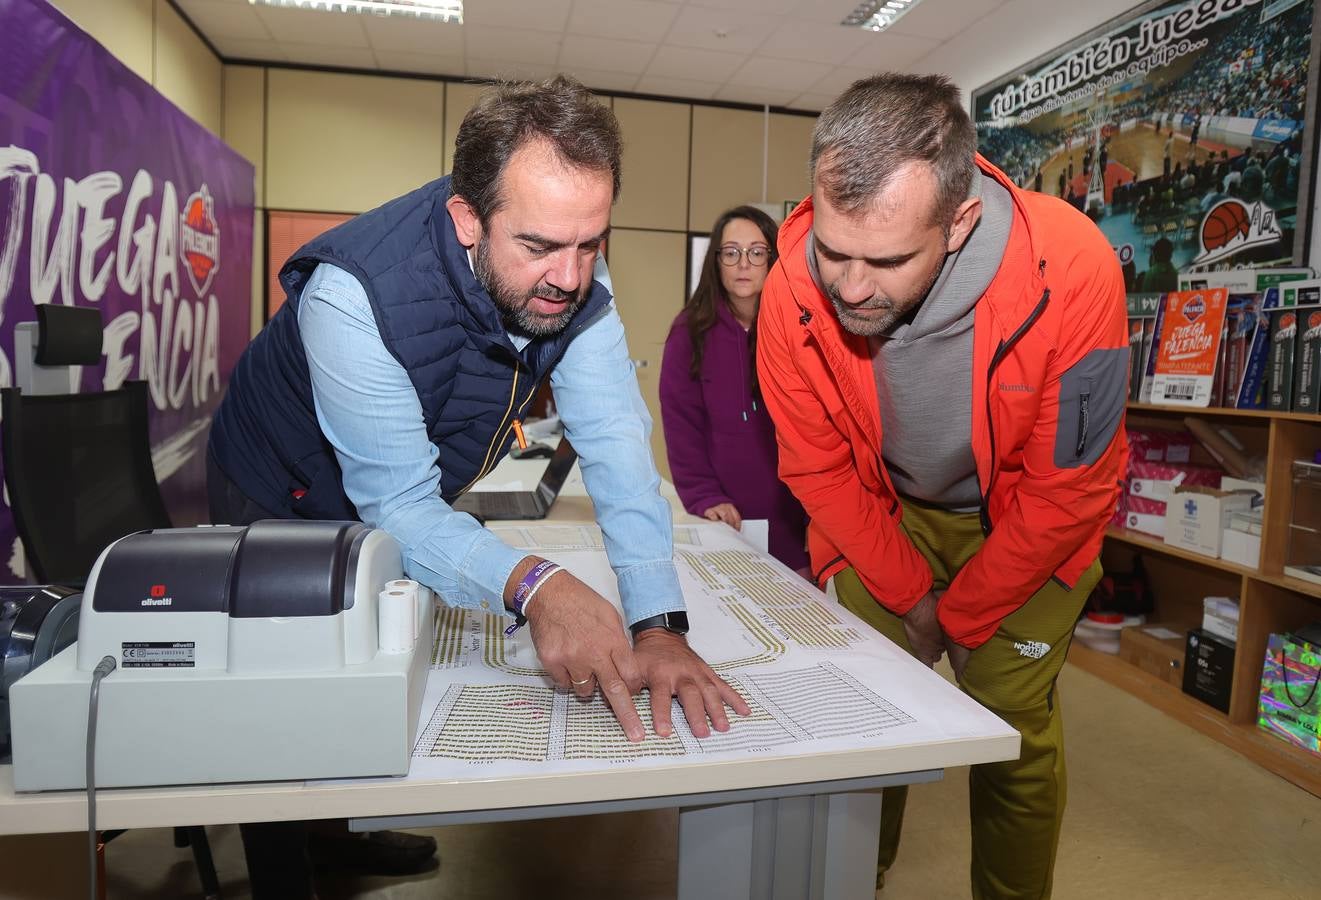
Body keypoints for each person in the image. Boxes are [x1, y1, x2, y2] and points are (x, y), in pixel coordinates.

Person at [208, 75, 748, 899]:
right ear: (467, 217)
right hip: (275, 490)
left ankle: (342, 831)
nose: (570, 278)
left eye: (590, 243)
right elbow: (394, 507)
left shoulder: (572, 277)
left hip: (396, 484)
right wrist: (534, 583)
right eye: (538, 247)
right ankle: (289, 868)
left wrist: (659, 625)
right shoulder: (352, 296)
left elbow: (616, 450)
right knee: (287, 691)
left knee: (375, 659)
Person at [755, 73, 1128, 899]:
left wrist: (961, 615)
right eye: (833, 251)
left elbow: (1069, 487)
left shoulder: (1075, 269)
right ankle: (860, 876)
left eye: (885, 260)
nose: (850, 288)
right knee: (867, 707)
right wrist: (908, 596)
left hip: (1027, 519)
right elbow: (815, 463)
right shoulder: (790, 284)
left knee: (1011, 725)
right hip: (882, 510)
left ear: (957, 223)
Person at [659, 206, 809, 574]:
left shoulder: (802, 329)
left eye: (757, 252)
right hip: (723, 518)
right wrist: (704, 496)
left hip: (798, 520)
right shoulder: (688, 332)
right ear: (717, 261)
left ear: (774, 258)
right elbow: (682, 427)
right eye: (731, 252)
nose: (744, 263)